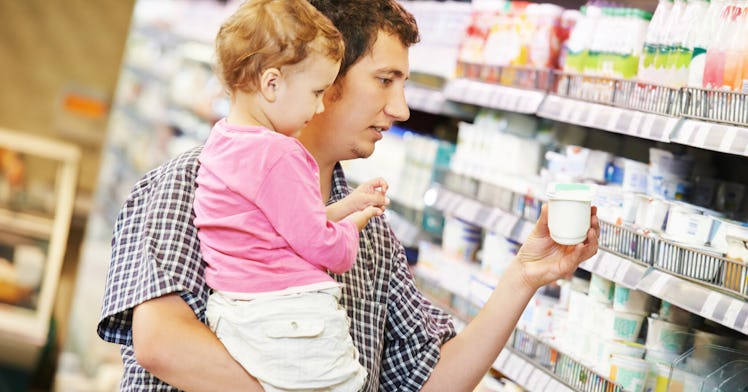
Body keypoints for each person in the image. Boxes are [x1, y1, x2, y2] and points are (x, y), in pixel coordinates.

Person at [97, 0, 600, 391]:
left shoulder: (366, 226)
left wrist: (524, 276)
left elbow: (427, 378)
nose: (401, 108)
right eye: (385, 80)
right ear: (323, 77)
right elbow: (162, 342)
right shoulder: (190, 184)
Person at [191, 1, 388, 391]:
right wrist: (358, 223)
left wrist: (349, 204)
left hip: (237, 316)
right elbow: (328, 250)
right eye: (316, 92)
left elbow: (284, 225)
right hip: (291, 322)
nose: (318, 108)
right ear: (272, 83)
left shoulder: (222, 143)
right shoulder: (281, 154)